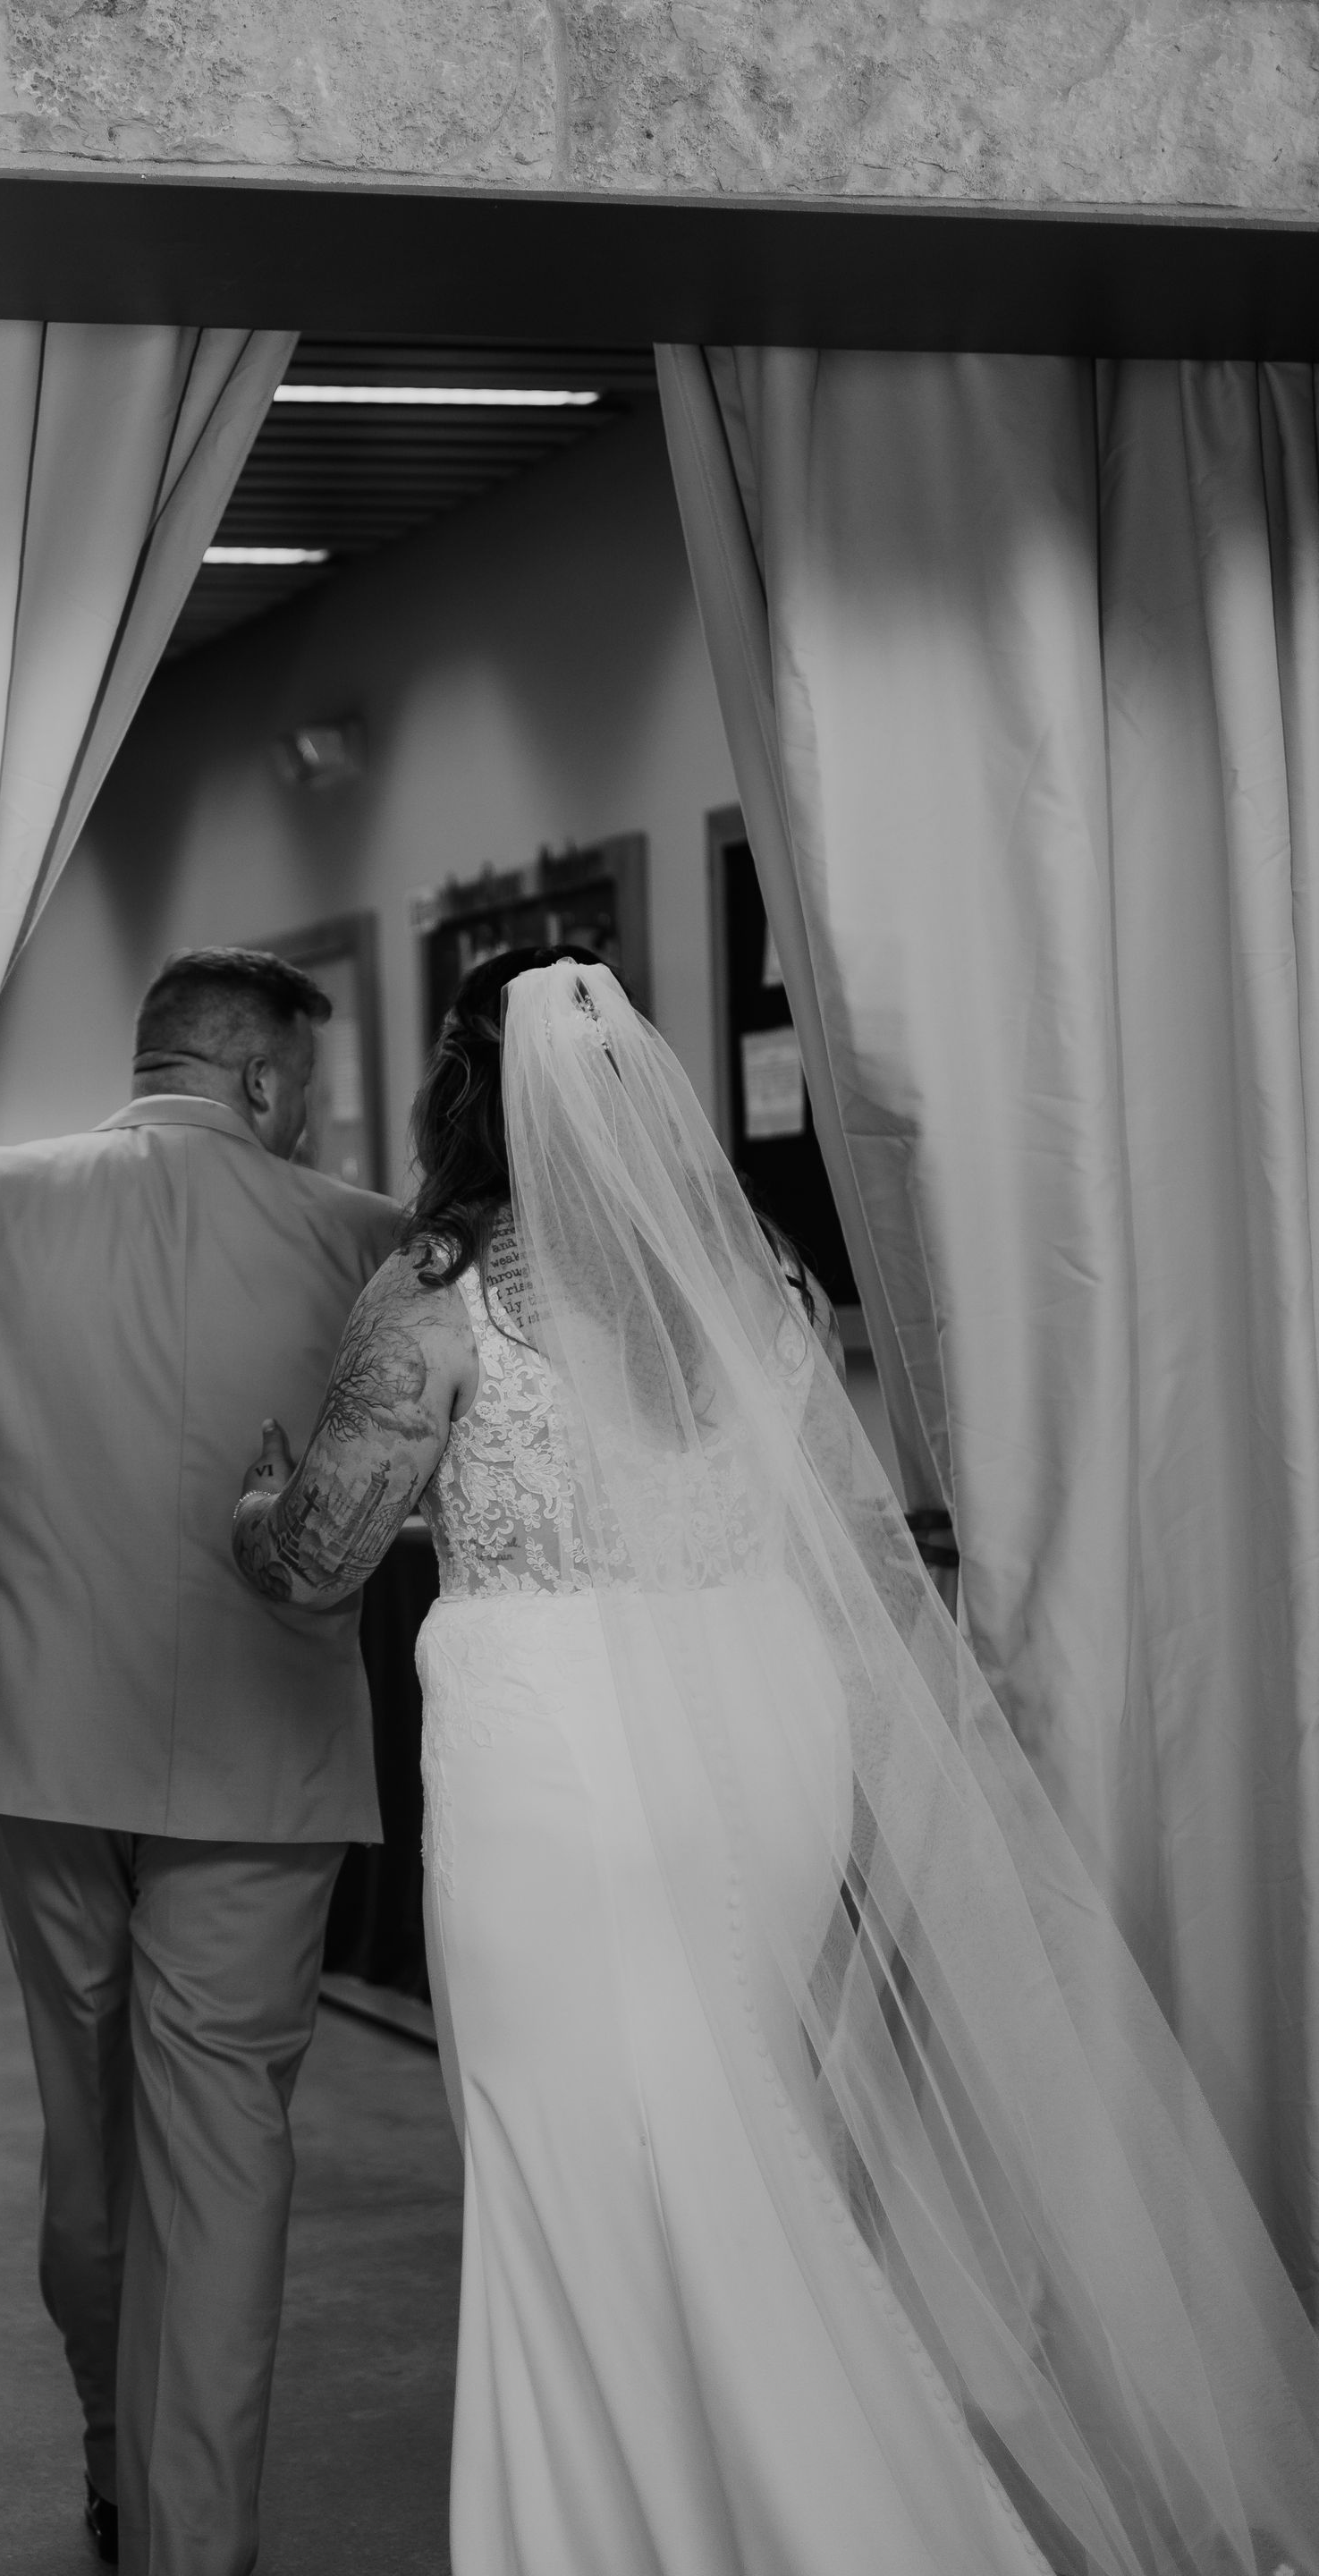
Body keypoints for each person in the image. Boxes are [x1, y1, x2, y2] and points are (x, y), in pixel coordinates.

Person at [234, 947, 1319, 2576]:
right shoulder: (758, 1281)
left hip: (563, 1758)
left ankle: (664, 2529)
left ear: (459, 1094)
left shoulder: (438, 1292)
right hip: (764, 1725)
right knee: (741, 2129)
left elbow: (323, 1561)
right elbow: (834, 1535)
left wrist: (252, 1510)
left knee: (581, 2164)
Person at [0, 947, 400, 2576]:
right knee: (222, 2159)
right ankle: (194, 2545)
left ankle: (112, 2464)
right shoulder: (367, 1242)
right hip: (262, 1765)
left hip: (39, 1747)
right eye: (305, 1094)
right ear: (261, 1083)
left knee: (87, 2135)